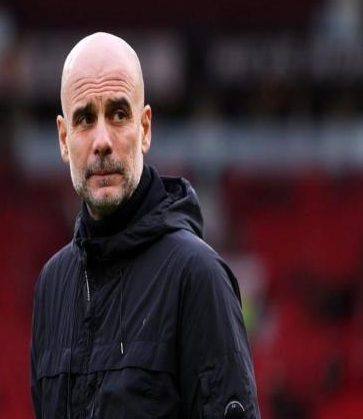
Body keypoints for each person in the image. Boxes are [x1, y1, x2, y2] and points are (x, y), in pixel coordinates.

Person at [30, 32, 260, 419]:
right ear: (64, 138)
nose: (102, 141)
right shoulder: (52, 285)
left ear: (145, 128)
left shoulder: (197, 276)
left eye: (118, 115)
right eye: (85, 119)